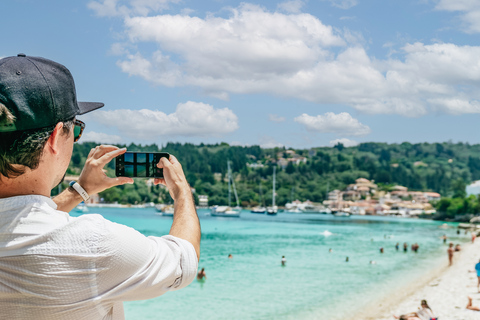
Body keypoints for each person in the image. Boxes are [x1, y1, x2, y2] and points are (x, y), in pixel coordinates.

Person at [0, 54, 201, 319]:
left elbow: (19, 221)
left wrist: (79, 190)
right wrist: (182, 193)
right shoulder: (94, 245)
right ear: (54, 138)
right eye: (76, 129)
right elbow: (182, 263)